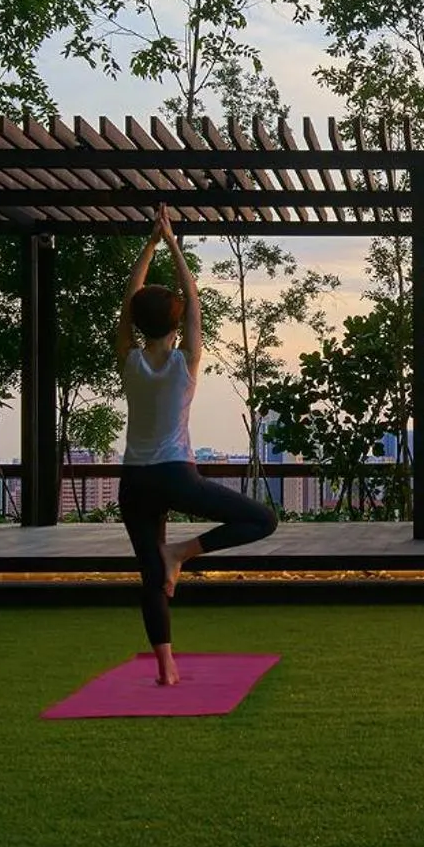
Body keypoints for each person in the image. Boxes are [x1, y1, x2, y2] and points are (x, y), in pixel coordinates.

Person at [115, 204, 278, 684]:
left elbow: (131, 301)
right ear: (177, 322)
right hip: (174, 474)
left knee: (150, 575)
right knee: (262, 519)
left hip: (134, 481)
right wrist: (172, 244)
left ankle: (166, 667)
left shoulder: (129, 362)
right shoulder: (185, 362)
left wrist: (149, 243)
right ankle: (182, 553)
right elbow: (193, 296)